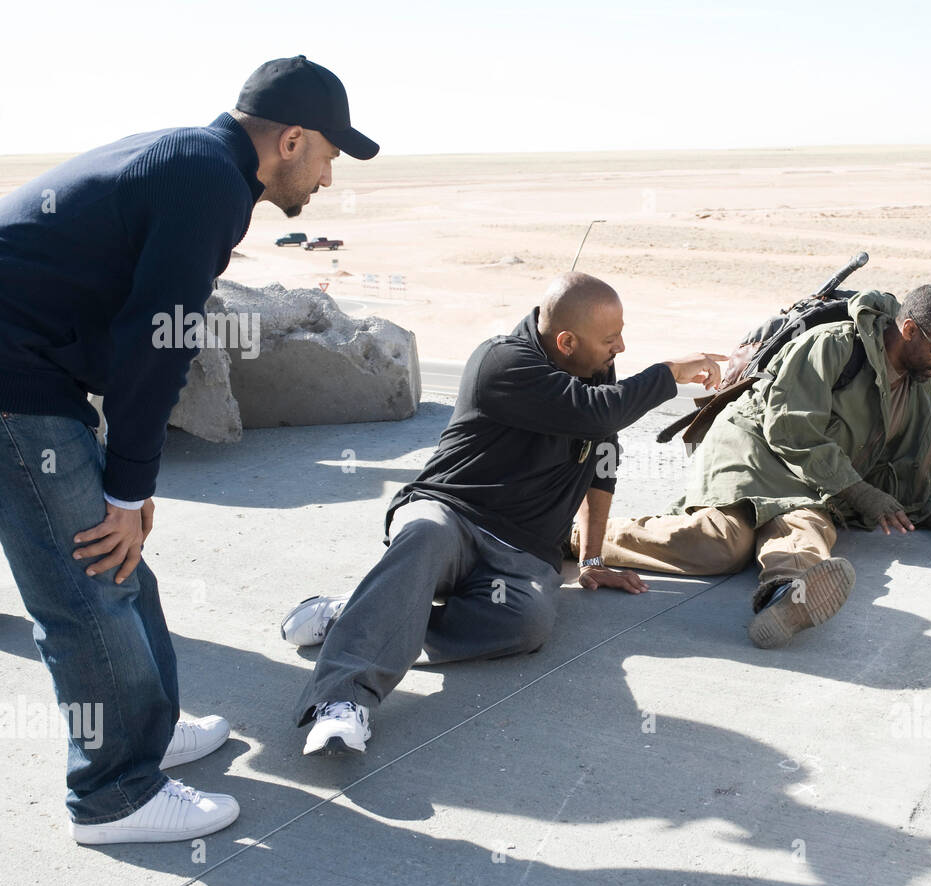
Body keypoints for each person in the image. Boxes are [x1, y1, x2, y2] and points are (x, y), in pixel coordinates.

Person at [0, 56, 379, 844]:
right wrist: (127, 487)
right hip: (14, 381)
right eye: (328, 158)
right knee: (87, 582)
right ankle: (114, 794)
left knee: (120, 561)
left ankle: (149, 726)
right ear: (292, 140)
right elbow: (158, 341)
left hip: (33, 366)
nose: (327, 181)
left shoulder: (199, 163)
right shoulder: (208, 181)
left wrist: (129, 489)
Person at [282, 273, 725, 755]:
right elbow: (599, 414)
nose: (621, 345)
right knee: (423, 535)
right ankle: (344, 698)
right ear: (566, 341)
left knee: (526, 624)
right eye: (610, 337)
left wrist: (593, 560)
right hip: (452, 514)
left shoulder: (594, 371)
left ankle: (363, 616)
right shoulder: (501, 361)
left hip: (524, 552)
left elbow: (602, 462)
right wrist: (668, 373)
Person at [578, 285, 931, 650]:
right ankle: (577, 536)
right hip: (755, 446)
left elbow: (902, 473)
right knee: (724, 544)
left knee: (807, 528)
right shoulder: (836, 346)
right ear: (909, 330)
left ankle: (785, 596)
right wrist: (857, 492)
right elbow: (789, 428)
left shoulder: (921, 391)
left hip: (812, 481)